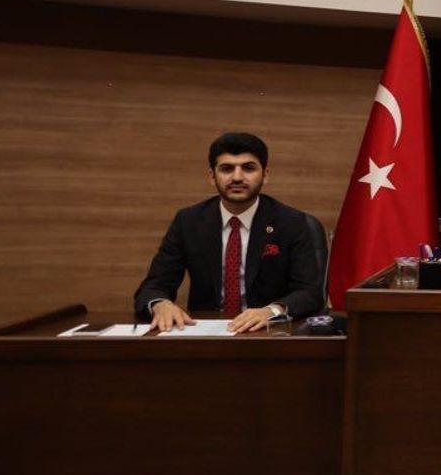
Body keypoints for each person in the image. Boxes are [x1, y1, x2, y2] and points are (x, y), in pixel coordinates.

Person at [134, 132, 324, 333]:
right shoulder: (188, 221)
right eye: (227, 169)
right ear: (212, 176)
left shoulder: (291, 222)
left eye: (248, 168)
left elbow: (309, 292)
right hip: (206, 335)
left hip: (268, 333)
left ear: (265, 175)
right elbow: (153, 286)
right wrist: (160, 304)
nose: (237, 177)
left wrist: (272, 311)